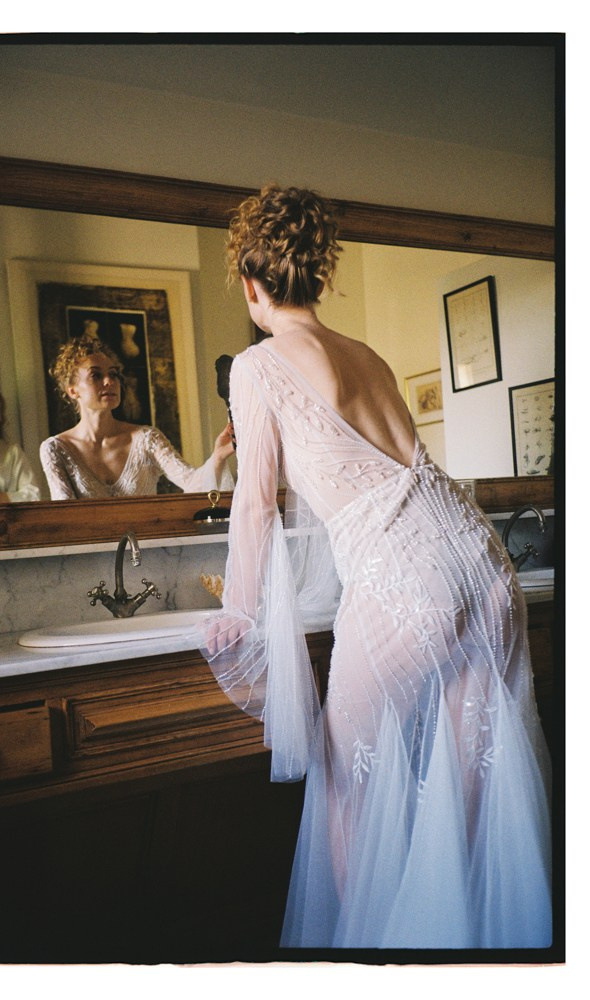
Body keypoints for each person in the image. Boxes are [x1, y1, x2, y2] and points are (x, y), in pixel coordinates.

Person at [199, 184, 552, 950]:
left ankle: (369, 968)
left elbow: (255, 504)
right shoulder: (367, 354)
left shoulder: (258, 366)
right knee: (466, 792)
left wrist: (239, 608)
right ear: (316, 277)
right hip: (482, 561)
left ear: (253, 287)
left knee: (346, 783)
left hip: (408, 579)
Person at [40, 336, 234, 499]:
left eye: (113, 374)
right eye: (96, 376)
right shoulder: (55, 449)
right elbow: (64, 516)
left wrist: (218, 455)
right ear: (73, 391)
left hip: (147, 543)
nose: (109, 382)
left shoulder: (146, 438)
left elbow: (193, 484)